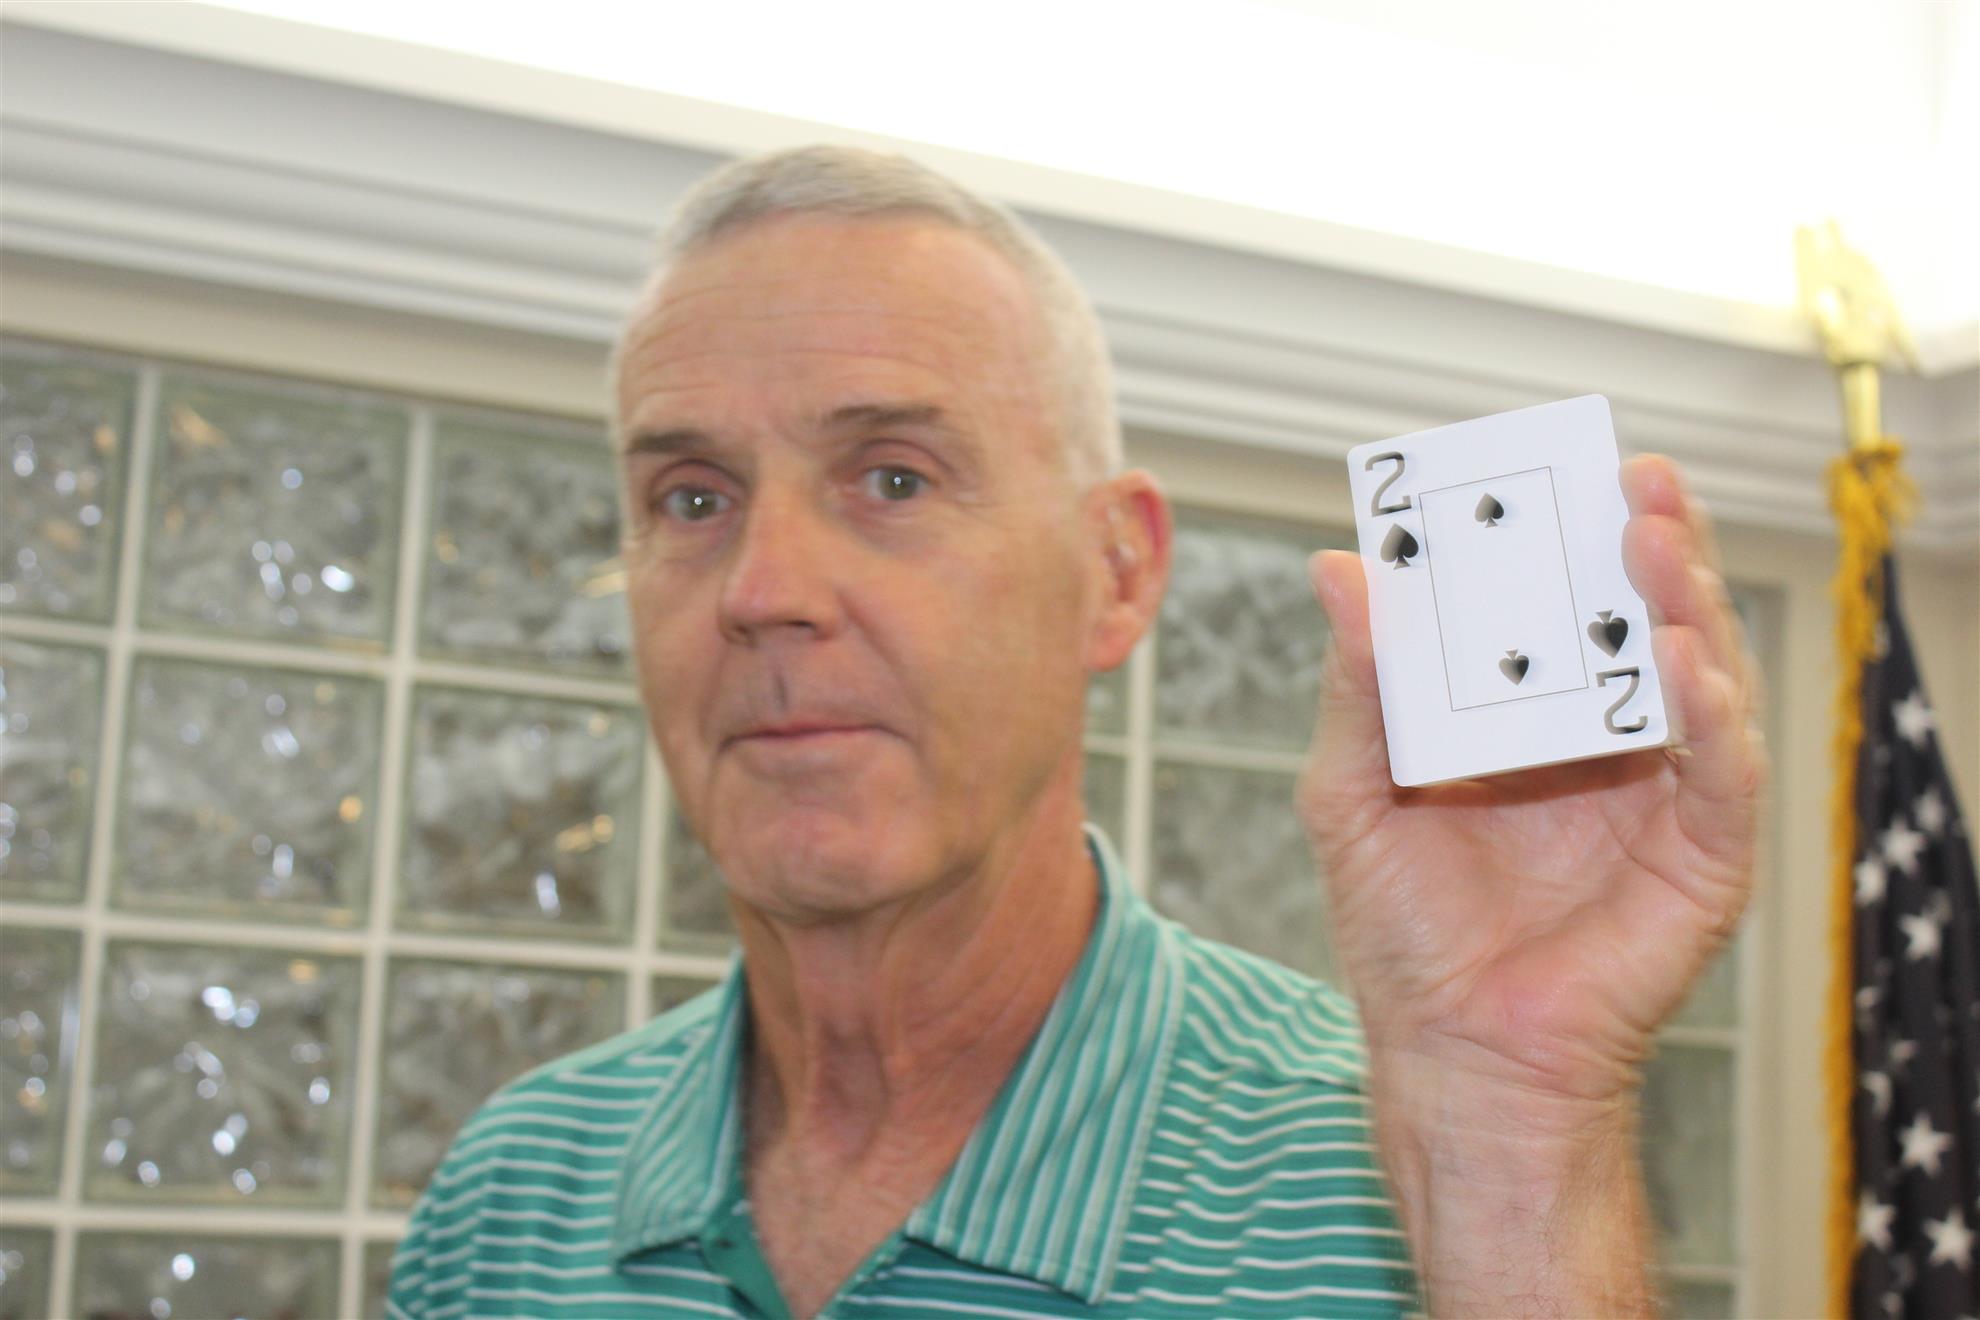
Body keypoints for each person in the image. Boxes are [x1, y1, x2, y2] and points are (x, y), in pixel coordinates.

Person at [386, 145, 1762, 1319]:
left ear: (1117, 571)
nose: (765, 591)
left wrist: (1516, 1123)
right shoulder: (508, 1207)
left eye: (892, 479)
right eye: (692, 500)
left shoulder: (1396, 1193)